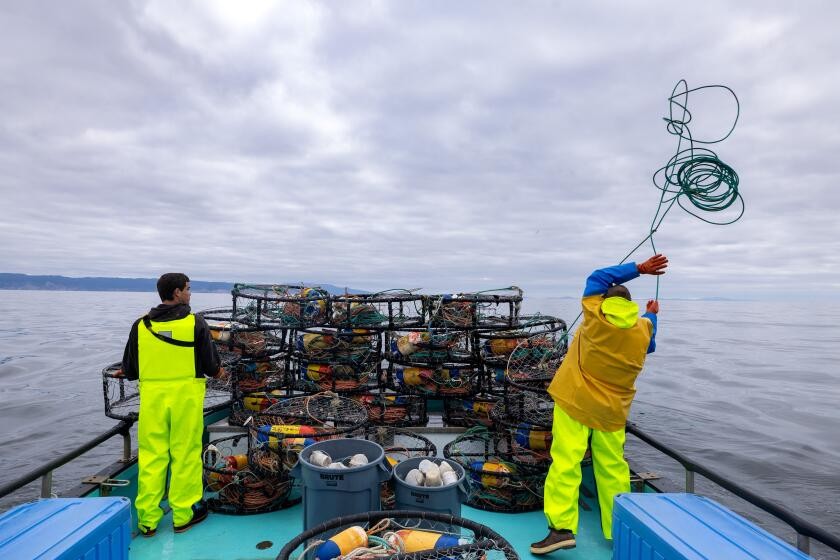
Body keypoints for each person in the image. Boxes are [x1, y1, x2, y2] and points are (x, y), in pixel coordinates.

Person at [530, 254, 668, 553]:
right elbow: (652, 341)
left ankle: (561, 530)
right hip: (612, 412)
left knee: (566, 463)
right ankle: (619, 529)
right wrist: (653, 314)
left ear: (604, 300)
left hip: (575, 403)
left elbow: (597, 277)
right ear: (631, 306)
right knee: (613, 469)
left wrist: (640, 269)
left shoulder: (594, 315)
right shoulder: (643, 330)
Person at [121, 273, 223, 536]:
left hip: (153, 401)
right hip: (185, 399)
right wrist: (220, 372)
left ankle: (147, 520)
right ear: (177, 292)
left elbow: (130, 370)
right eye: (188, 289)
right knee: (185, 454)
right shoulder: (195, 323)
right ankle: (183, 514)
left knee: (152, 457)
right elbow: (212, 368)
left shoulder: (141, 325)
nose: (190, 293)